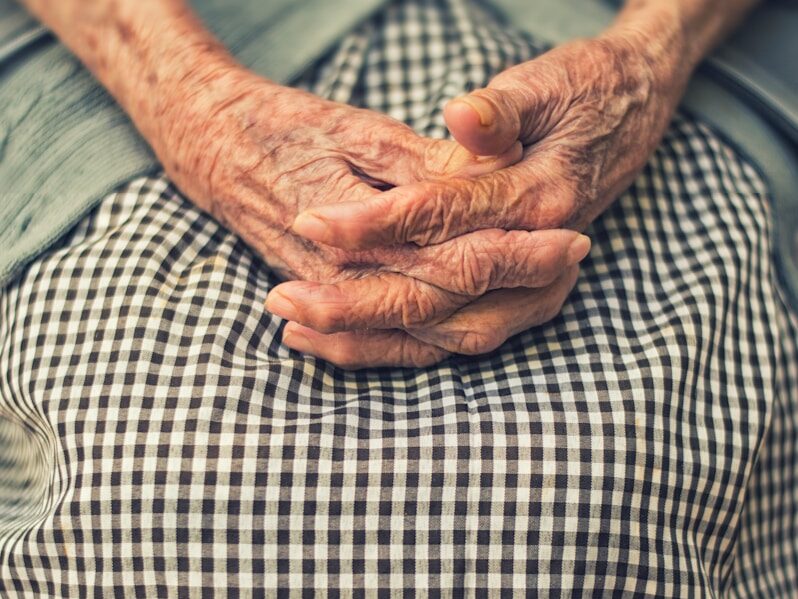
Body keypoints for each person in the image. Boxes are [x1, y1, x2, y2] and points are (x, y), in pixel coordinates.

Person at [0, 0, 795, 595]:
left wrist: (649, 56)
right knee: (146, 505)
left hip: (633, 38)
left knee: (599, 503)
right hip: (148, 43)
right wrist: (192, 102)